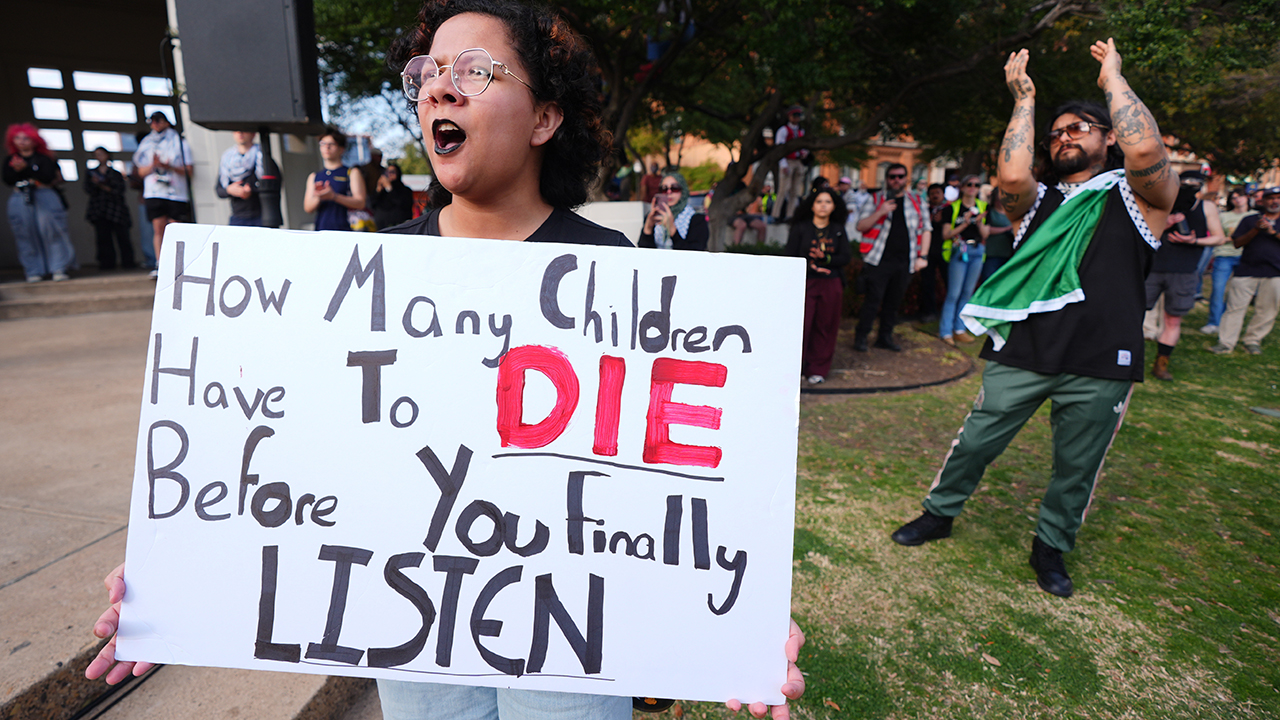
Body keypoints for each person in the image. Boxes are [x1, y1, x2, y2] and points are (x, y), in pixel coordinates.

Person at [86, 2, 806, 718]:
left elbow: (665, 487)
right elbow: (292, 458)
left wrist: (740, 621)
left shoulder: (612, 270)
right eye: (428, 73)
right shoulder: (366, 274)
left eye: (475, 71)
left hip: (567, 648)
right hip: (408, 631)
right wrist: (180, 568)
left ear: (545, 119)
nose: (438, 87)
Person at [890, 40, 1177, 599]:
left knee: (1077, 465)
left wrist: (1113, 80)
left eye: (1081, 128)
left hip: (1102, 359)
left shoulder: (1143, 198)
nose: (1065, 136)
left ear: (1109, 136)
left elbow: (1146, 152)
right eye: (1057, 132)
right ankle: (940, 512)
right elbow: (1012, 173)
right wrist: (1024, 99)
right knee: (974, 441)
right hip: (1024, 349)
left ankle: (1050, 547)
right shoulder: (1037, 201)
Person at [1143, 169, 1224, 379]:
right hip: (1152, 267)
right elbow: (1141, 232)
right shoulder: (1162, 202)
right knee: (1133, 314)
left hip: (1184, 271)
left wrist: (1194, 241)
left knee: (1173, 320)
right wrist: (1166, 223)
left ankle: (1161, 364)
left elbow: (1219, 238)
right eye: (1186, 182)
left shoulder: (1206, 207)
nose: (1191, 186)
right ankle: (1125, 357)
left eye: (1196, 183)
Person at [851, 162, 932, 351]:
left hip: (906, 261)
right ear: (886, 179)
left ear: (906, 179)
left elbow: (926, 229)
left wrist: (924, 257)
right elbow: (860, 226)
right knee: (872, 301)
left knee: (893, 302)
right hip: (878, 260)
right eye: (892, 177)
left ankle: (884, 337)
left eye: (900, 176)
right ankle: (861, 337)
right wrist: (881, 212)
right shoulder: (875, 199)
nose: (896, 180)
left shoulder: (917, 201)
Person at [786, 188, 852, 384]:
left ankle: (817, 369)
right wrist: (811, 264)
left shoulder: (838, 229)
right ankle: (794, 368)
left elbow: (846, 257)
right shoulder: (800, 227)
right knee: (800, 325)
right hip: (805, 282)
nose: (823, 205)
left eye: (828, 202)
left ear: (834, 206)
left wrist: (827, 260)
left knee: (825, 325)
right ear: (812, 205)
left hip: (831, 284)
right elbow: (790, 254)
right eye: (819, 201)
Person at [1210, 186, 1280, 355]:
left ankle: (1253, 340)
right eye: (1271, 198)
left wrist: (1272, 232)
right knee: (1235, 307)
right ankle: (1226, 342)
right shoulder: (1250, 219)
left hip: (1275, 272)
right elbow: (1237, 243)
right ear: (1262, 201)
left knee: (1267, 310)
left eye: (1278, 198)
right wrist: (1256, 229)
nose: (1275, 201)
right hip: (1247, 269)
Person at [4, 123, 76, 282]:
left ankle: (59, 267)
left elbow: (49, 177)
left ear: (34, 140)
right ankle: (33, 270)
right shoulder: (11, 160)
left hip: (43, 195)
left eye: (26, 138)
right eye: (17, 138)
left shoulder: (44, 158)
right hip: (20, 197)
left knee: (52, 231)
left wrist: (26, 169)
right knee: (25, 234)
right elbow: (7, 179)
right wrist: (18, 170)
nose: (21, 141)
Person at [132, 112, 193, 277]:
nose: (155, 124)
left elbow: (189, 170)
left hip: (176, 193)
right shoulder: (146, 144)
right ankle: (160, 264)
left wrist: (169, 166)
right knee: (158, 229)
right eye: (152, 121)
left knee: (175, 228)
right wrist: (154, 165)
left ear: (166, 122)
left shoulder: (179, 142)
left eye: (159, 120)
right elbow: (140, 171)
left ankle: (177, 263)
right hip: (154, 192)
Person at [937, 174, 990, 344]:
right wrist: (965, 224)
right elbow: (946, 234)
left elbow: (985, 234)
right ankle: (945, 331)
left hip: (977, 250)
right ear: (962, 187)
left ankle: (959, 328)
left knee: (967, 293)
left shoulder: (983, 206)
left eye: (976, 185)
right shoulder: (952, 208)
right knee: (954, 293)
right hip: (960, 250)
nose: (973, 187)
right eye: (969, 184)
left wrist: (979, 222)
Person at [1202, 188, 1251, 334]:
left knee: (1239, 293)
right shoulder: (1224, 216)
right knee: (1218, 290)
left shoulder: (1254, 216)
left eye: (1240, 197)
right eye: (1234, 197)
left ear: (1247, 198)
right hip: (1223, 255)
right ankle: (1214, 322)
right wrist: (1238, 237)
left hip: (1246, 256)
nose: (1237, 200)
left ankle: (1231, 323)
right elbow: (1218, 236)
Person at [303, 127, 367, 231]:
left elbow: (361, 203)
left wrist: (334, 196)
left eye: (331, 144)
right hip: (321, 229)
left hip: (347, 230)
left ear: (341, 149)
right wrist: (320, 196)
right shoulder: (314, 176)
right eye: (323, 144)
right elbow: (308, 208)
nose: (326, 147)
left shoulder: (351, 173)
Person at [84, 147, 136, 270]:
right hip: (99, 209)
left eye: (101, 154)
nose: (99, 157)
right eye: (97, 155)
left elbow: (119, 190)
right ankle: (107, 264)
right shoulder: (91, 173)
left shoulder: (115, 173)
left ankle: (128, 263)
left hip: (116, 208)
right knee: (103, 238)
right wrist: (96, 184)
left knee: (122, 237)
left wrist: (103, 185)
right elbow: (87, 189)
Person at [639, 170, 708, 250]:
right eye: (664, 189)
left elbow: (694, 253)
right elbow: (643, 253)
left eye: (674, 188)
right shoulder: (654, 216)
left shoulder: (696, 219)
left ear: (683, 191)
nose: (669, 192)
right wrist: (648, 228)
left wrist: (672, 229)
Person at [215, 130, 264, 226]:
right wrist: (229, 190)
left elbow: (274, 184)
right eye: (236, 130)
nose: (240, 133)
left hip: (260, 217)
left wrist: (252, 190)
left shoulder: (262, 157)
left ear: (253, 133)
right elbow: (219, 190)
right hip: (238, 218)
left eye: (244, 130)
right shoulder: (227, 159)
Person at [773, 106, 809, 221]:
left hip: (798, 161)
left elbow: (804, 145)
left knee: (795, 190)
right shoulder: (783, 130)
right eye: (795, 116)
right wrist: (783, 164)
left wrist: (804, 153)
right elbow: (779, 148)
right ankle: (776, 214)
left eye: (798, 116)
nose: (796, 119)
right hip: (787, 161)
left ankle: (790, 214)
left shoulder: (801, 131)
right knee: (784, 189)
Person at [978, 188, 1014, 286]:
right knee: (988, 282)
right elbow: (987, 229)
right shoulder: (989, 211)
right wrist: (1006, 229)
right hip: (991, 253)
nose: (1000, 202)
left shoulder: (1012, 212)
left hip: (1008, 253)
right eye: (998, 199)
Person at [372, 162, 417, 229]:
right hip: (380, 228)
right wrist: (378, 189)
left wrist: (389, 188)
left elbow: (401, 203)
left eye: (392, 172)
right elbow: (372, 204)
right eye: (386, 172)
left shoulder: (405, 190)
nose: (389, 174)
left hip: (399, 228)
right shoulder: (382, 192)